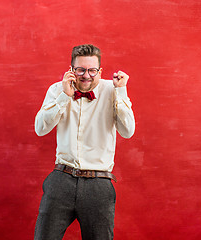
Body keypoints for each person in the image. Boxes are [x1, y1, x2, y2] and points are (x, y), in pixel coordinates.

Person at [34, 44, 135, 240]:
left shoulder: (113, 90)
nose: (86, 75)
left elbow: (128, 131)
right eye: (80, 69)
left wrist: (121, 92)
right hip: (61, 178)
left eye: (92, 70)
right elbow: (40, 129)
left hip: (98, 184)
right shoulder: (57, 89)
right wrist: (64, 96)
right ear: (71, 70)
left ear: (100, 71)